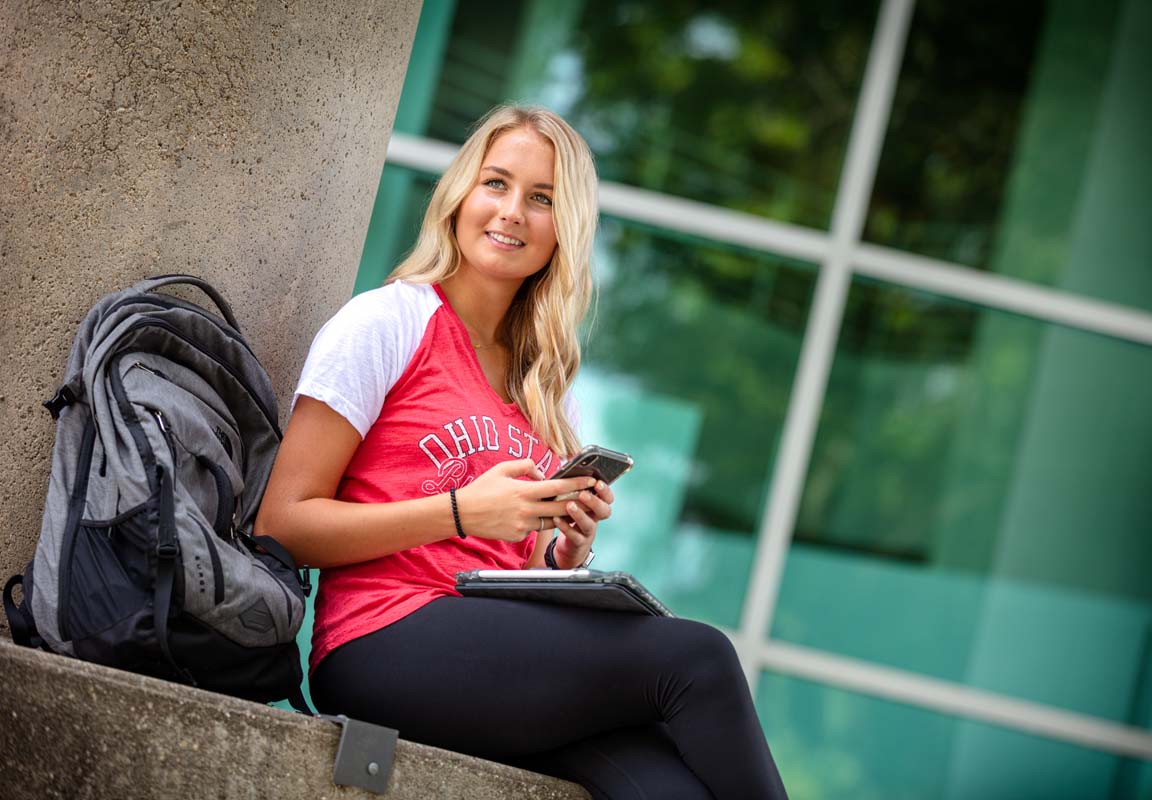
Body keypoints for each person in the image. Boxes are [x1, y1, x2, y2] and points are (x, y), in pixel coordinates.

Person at [257, 105, 787, 799]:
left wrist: (565, 554)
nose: (512, 212)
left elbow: (512, 564)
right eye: (496, 184)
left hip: (495, 655)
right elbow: (282, 526)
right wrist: (459, 511)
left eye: (541, 199)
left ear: (562, 230)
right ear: (459, 196)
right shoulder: (386, 322)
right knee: (699, 659)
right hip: (381, 641)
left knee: (667, 787)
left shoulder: (544, 387)